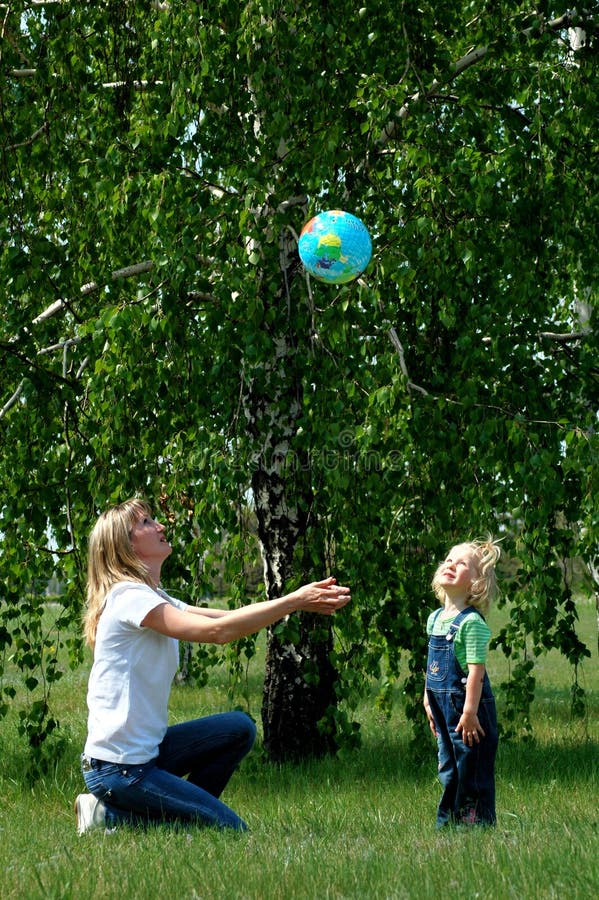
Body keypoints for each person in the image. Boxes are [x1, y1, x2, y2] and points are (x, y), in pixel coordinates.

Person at [75, 497, 351, 835]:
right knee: (232, 831)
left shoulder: (154, 596)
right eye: (146, 523)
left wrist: (295, 603)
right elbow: (218, 633)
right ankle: (111, 815)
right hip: (119, 769)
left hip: (144, 757)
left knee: (237, 728)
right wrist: (294, 599)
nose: (160, 526)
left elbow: (225, 618)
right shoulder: (129, 597)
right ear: (125, 545)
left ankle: (183, 817)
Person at [423, 537, 501, 828]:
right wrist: (427, 699)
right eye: (448, 559)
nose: (451, 564)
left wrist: (469, 712)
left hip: (470, 711)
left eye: (462, 563)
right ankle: (448, 824)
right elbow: (431, 665)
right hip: (444, 709)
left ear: (476, 583)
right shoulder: (435, 619)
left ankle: (475, 826)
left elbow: (476, 672)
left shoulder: (472, 623)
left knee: (472, 765)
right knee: (448, 766)